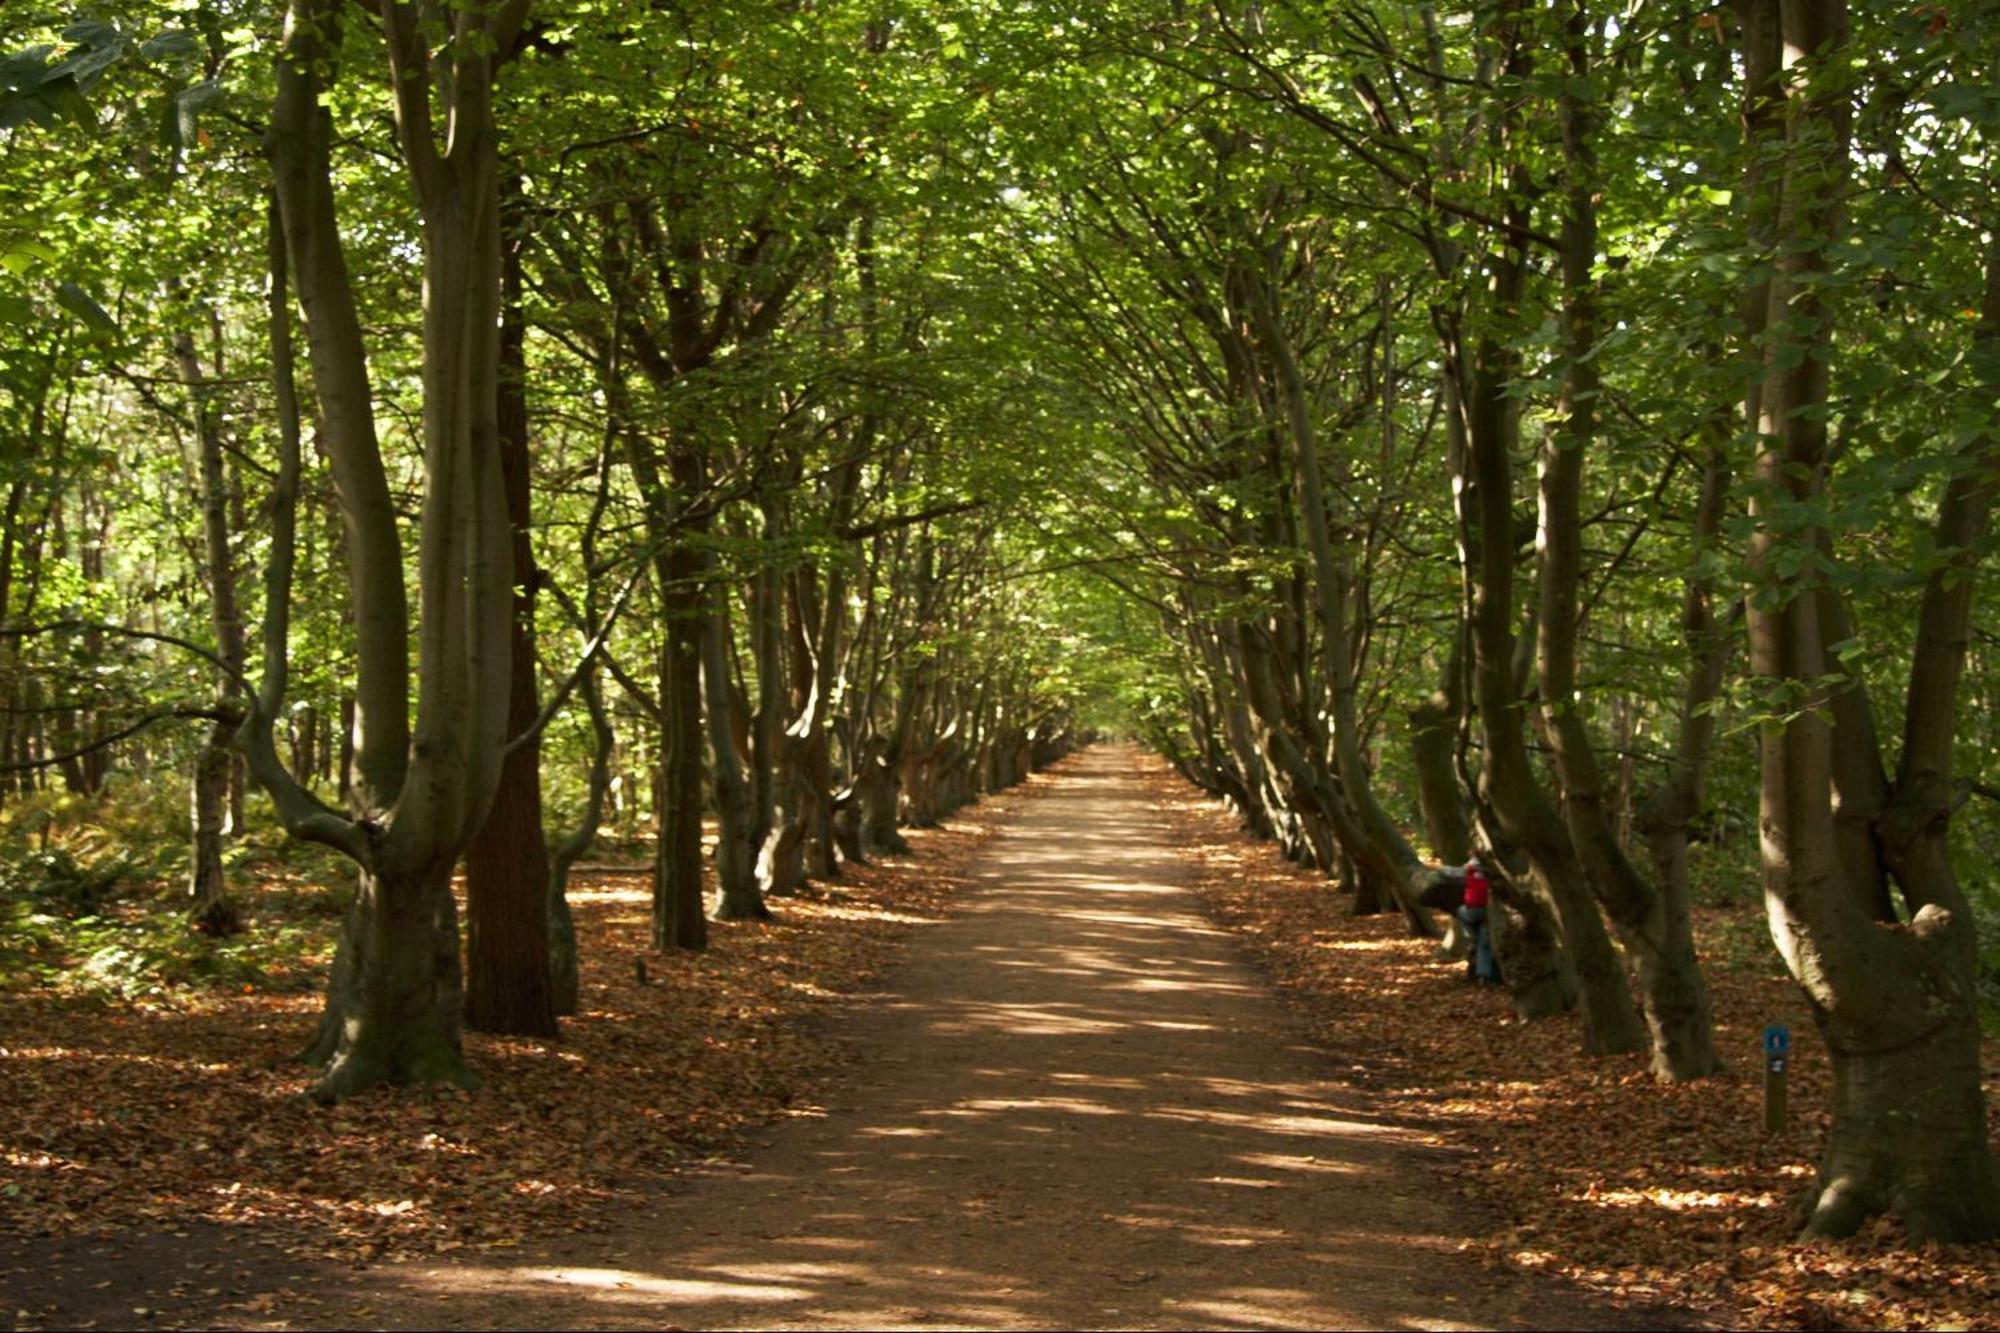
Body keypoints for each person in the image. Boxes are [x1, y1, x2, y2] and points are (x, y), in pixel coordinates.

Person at [1458, 858, 1499, 985]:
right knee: (1484, 943)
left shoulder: (1469, 870)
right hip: (1488, 911)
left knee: (1460, 911)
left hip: (1472, 909)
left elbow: (1453, 872)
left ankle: (1471, 937)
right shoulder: (1492, 871)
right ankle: (1484, 974)